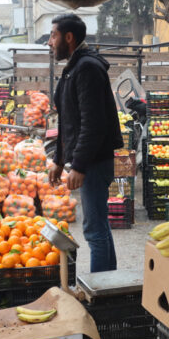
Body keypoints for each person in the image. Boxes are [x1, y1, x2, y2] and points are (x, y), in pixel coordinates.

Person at [47, 14, 123, 273]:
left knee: (92, 228)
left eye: (53, 35)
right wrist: (59, 160)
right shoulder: (75, 67)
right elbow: (68, 122)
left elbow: (93, 124)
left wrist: (78, 165)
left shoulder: (87, 68)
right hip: (92, 159)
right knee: (98, 225)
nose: (49, 42)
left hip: (95, 161)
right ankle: (109, 284)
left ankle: (100, 287)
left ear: (69, 38)